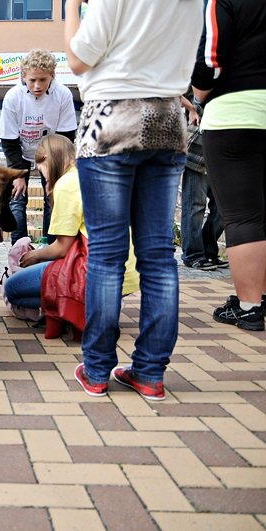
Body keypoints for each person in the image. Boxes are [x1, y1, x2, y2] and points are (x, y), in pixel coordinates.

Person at [64, 0, 204, 400]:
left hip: (111, 116)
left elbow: (77, 59)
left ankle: (95, 370)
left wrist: (72, 6)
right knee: (159, 257)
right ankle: (149, 372)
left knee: (107, 255)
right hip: (166, 118)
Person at [3, 135, 138, 327]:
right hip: (128, 271)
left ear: (48, 160)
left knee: (13, 288)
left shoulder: (67, 184)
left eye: (42, 170)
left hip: (95, 272)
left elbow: (62, 248)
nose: (44, 177)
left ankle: (85, 305)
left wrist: (35, 256)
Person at [191, 0, 266, 331]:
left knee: (243, 216)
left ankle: (251, 305)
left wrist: (199, 93)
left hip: (234, 114)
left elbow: (211, 59)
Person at [0, 49, 77, 244]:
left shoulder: (63, 95)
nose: (37, 85)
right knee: (17, 197)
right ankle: (19, 246)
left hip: (52, 152)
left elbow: (66, 136)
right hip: (21, 150)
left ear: (52, 76)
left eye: (43, 79)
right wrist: (17, 175)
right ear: (23, 76)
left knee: (53, 197)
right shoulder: (13, 97)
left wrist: (54, 172)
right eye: (32, 80)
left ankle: (49, 246)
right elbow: (8, 140)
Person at [178, 96, 226, 271]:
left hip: (224, 154)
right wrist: (191, 108)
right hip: (198, 151)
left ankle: (209, 251)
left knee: (222, 209)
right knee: (194, 207)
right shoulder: (205, 71)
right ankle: (193, 255)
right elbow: (178, 90)